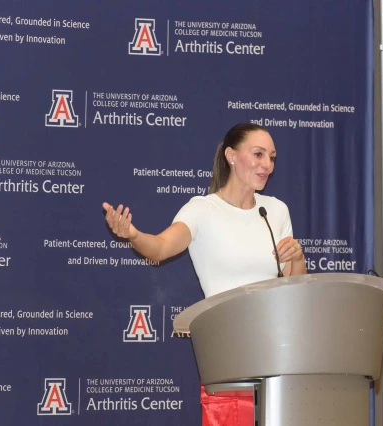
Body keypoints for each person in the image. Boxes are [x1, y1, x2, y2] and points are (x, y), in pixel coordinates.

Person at [102, 122, 306, 425]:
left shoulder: (275, 211)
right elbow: (160, 247)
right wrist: (133, 235)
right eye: (259, 154)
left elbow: (295, 286)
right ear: (231, 156)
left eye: (272, 157)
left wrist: (298, 257)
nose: (267, 165)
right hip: (228, 353)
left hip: (277, 353)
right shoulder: (203, 209)